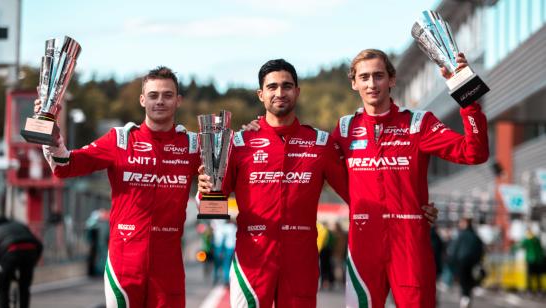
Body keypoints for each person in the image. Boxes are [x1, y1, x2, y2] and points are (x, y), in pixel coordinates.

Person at [198, 59, 438, 307]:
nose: (280, 93)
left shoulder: (321, 143)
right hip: (254, 258)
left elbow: (358, 190)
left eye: (287, 86)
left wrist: (412, 209)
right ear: (261, 94)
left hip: (301, 260)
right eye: (272, 87)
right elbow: (211, 207)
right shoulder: (239, 143)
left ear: (297, 91)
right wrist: (206, 190)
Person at [331, 49, 489, 307]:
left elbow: (475, 153)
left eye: (379, 76)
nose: (372, 84)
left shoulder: (418, 123)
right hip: (363, 244)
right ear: (354, 82)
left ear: (392, 80)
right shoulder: (345, 128)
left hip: (410, 244)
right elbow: (315, 165)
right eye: (365, 77)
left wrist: (466, 92)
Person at [39, 67, 200, 308]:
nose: (160, 101)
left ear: (178, 101)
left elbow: (224, 180)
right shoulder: (120, 139)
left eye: (167, 95)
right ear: (142, 99)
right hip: (124, 261)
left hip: (169, 265)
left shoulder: (193, 144)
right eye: (153, 95)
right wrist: (52, 140)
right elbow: (66, 166)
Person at [0, 216, 43, 308]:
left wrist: (0, 266)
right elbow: (39, 245)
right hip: (31, 251)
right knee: (25, 287)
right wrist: (34, 262)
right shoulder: (20, 226)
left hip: (11, 252)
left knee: (3, 286)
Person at [449, 217, 484, 308]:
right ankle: (467, 297)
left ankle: (464, 298)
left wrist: (452, 262)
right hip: (473, 262)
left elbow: (454, 249)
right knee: (469, 281)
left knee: (463, 281)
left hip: (461, 261)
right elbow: (480, 249)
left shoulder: (461, 235)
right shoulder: (475, 236)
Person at [517, 228, 545, 295]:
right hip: (538, 260)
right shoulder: (537, 239)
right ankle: (539, 290)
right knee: (538, 276)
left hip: (531, 260)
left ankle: (530, 290)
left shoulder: (527, 240)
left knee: (530, 276)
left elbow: (519, 247)